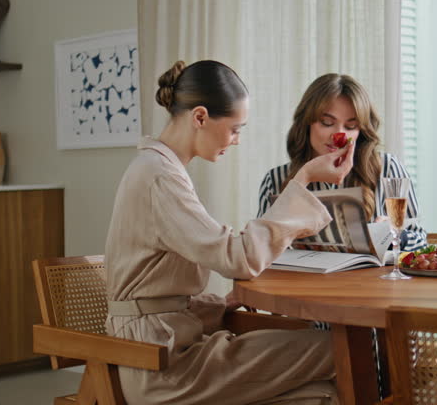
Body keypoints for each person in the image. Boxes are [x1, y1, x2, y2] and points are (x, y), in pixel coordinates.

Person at [104, 60, 354, 405]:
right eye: (236, 129)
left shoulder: (160, 169)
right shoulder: (159, 176)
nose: (236, 140)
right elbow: (239, 258)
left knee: (323, 396)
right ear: (201, 118)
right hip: (161, 365)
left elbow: (155, 290)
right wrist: (304, 180)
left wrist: (217, 305)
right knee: (336, 348)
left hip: (170, 347)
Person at [257, 73, 428, 251]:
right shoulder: (276, 179)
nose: (339, 136)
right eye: (327, 122)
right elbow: (259, 250)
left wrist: (400, 235)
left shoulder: (388, 168)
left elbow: (421, 242)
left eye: (350, 126)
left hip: (370, 279)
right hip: (302, 279)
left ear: (361, 131)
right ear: (306, 123)